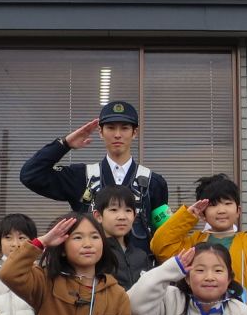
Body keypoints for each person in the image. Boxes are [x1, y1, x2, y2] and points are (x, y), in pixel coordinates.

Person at [19, 101, 169, 255]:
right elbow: (30, 175)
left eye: (124, 128)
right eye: (111, 128)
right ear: (100, 132)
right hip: (91, 268)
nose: (117, 134)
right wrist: (65, 144)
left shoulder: (153, 182)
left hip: (141, 268)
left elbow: (165, 234)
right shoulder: (81, 177)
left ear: (134, 132)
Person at [0, 214, 132, 315]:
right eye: (78, 237)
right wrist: (42, 242)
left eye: (95, 237)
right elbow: (8, 273)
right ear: (62, 248)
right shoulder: (46, 280)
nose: (88, 244)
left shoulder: (117, 296)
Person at [150, 174, 247, 303]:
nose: (221, 210)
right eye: (213, 205)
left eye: (228, 203)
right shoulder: (194, 243)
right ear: (203, 214)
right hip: (196, 312)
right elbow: (160, 246)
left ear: (238, 211)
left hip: (239, 313)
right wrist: (188, 216)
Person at [93, 183, 154, 292]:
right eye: (114, 210)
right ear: (98, 216)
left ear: (134, 216)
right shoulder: (94, 254)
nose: (122, 217)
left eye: (128, 210)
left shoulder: (142, 256)